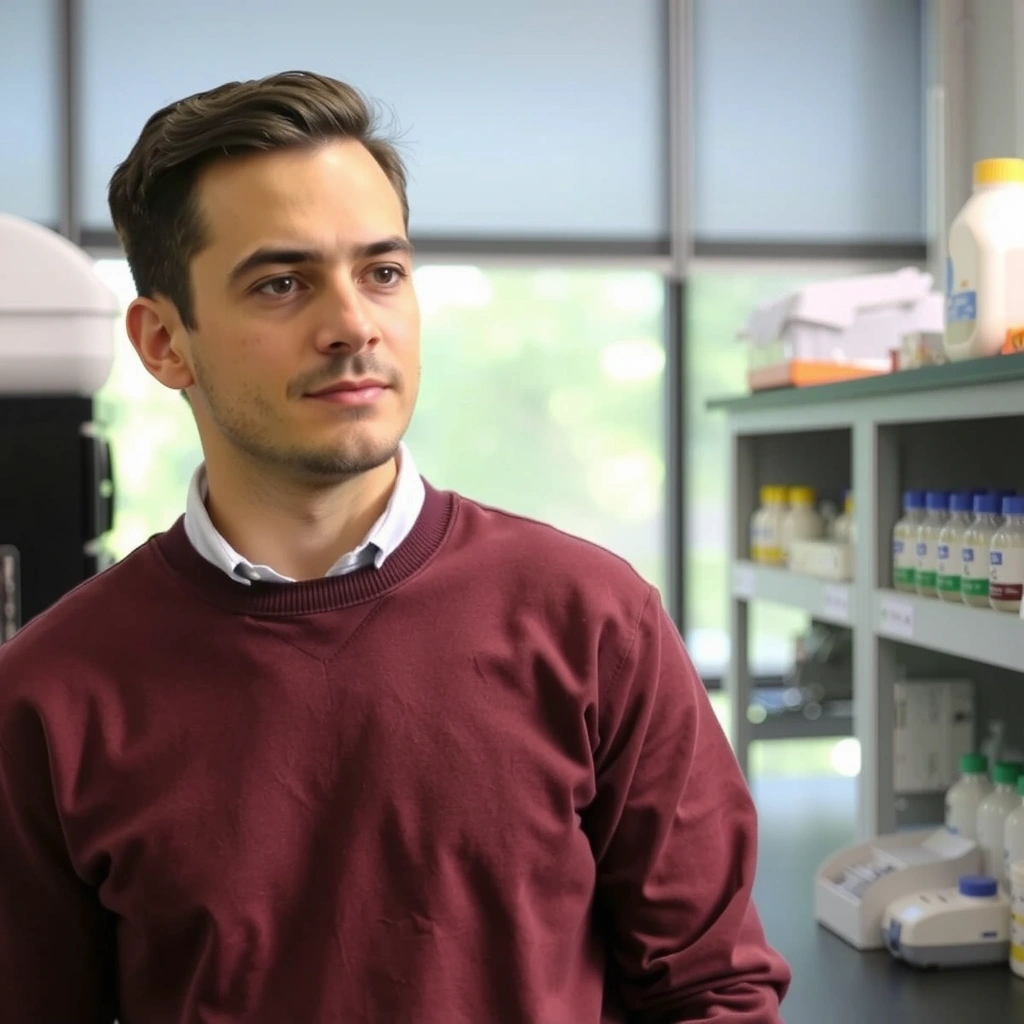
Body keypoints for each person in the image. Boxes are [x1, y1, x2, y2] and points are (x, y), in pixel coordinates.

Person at [0, 71, 789, 1023]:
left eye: (382, 272)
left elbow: (712, 989)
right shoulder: (48, 694)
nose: (352, 327)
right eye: (282, 284)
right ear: (166, 343)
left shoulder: (593, 618)